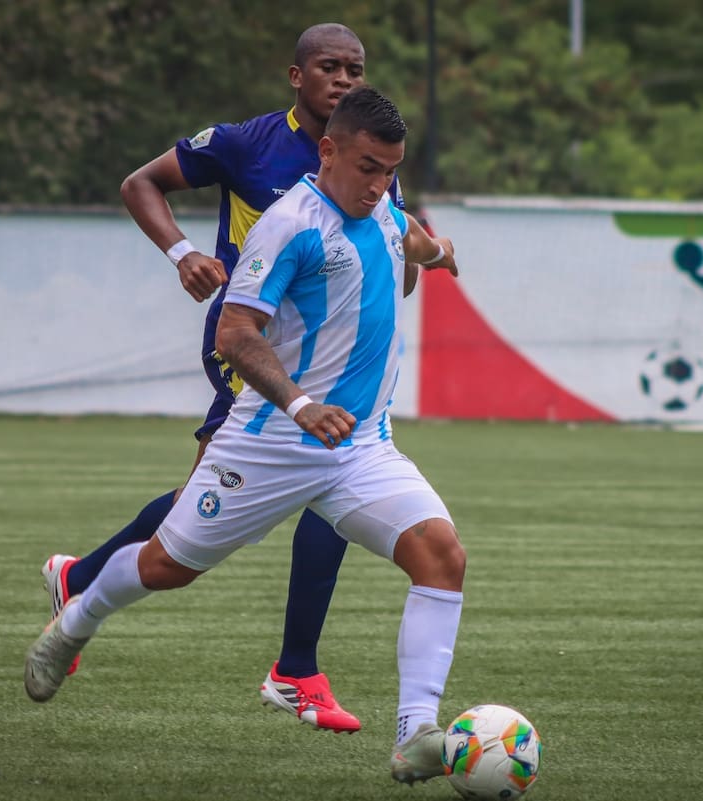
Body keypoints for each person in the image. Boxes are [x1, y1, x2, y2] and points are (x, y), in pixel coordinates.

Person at [26, 86, 464, 785]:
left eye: (391, 168)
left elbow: (404, 230)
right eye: (368, 167)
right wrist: (300, 405)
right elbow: (235, 334)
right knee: (167, 565)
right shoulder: (289, 225)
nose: (381, 183)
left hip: (361, 447)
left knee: (442, 557)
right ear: (328, 151)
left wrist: (437, 252)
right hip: (270, 442)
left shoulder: (380, 202)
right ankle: (76, 618)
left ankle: (417, 732)